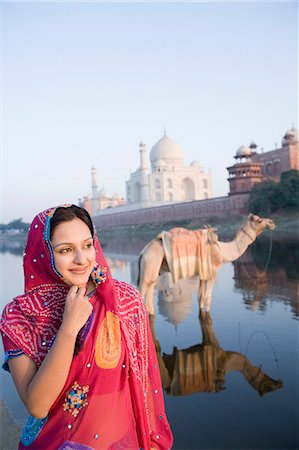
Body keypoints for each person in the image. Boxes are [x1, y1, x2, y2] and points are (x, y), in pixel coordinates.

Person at [0, 205, 173, 450]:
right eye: (66, 250)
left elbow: (145, 382)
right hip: (54, 443)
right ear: (44, 253)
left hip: (122, 441)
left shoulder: (125, 301)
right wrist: (69, 328)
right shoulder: (20, 315)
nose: (82, 260)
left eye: (87, 245)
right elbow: (38, 405)